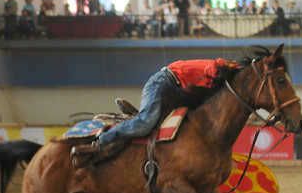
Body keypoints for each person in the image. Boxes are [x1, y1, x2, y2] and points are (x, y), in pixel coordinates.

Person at [71, 58, 241, 165]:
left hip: (178, 91)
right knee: (145, 124)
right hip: (164, 82)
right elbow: (215, 69)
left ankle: (136, 118)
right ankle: (102, 140)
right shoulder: (217, 68)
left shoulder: (223, 76)